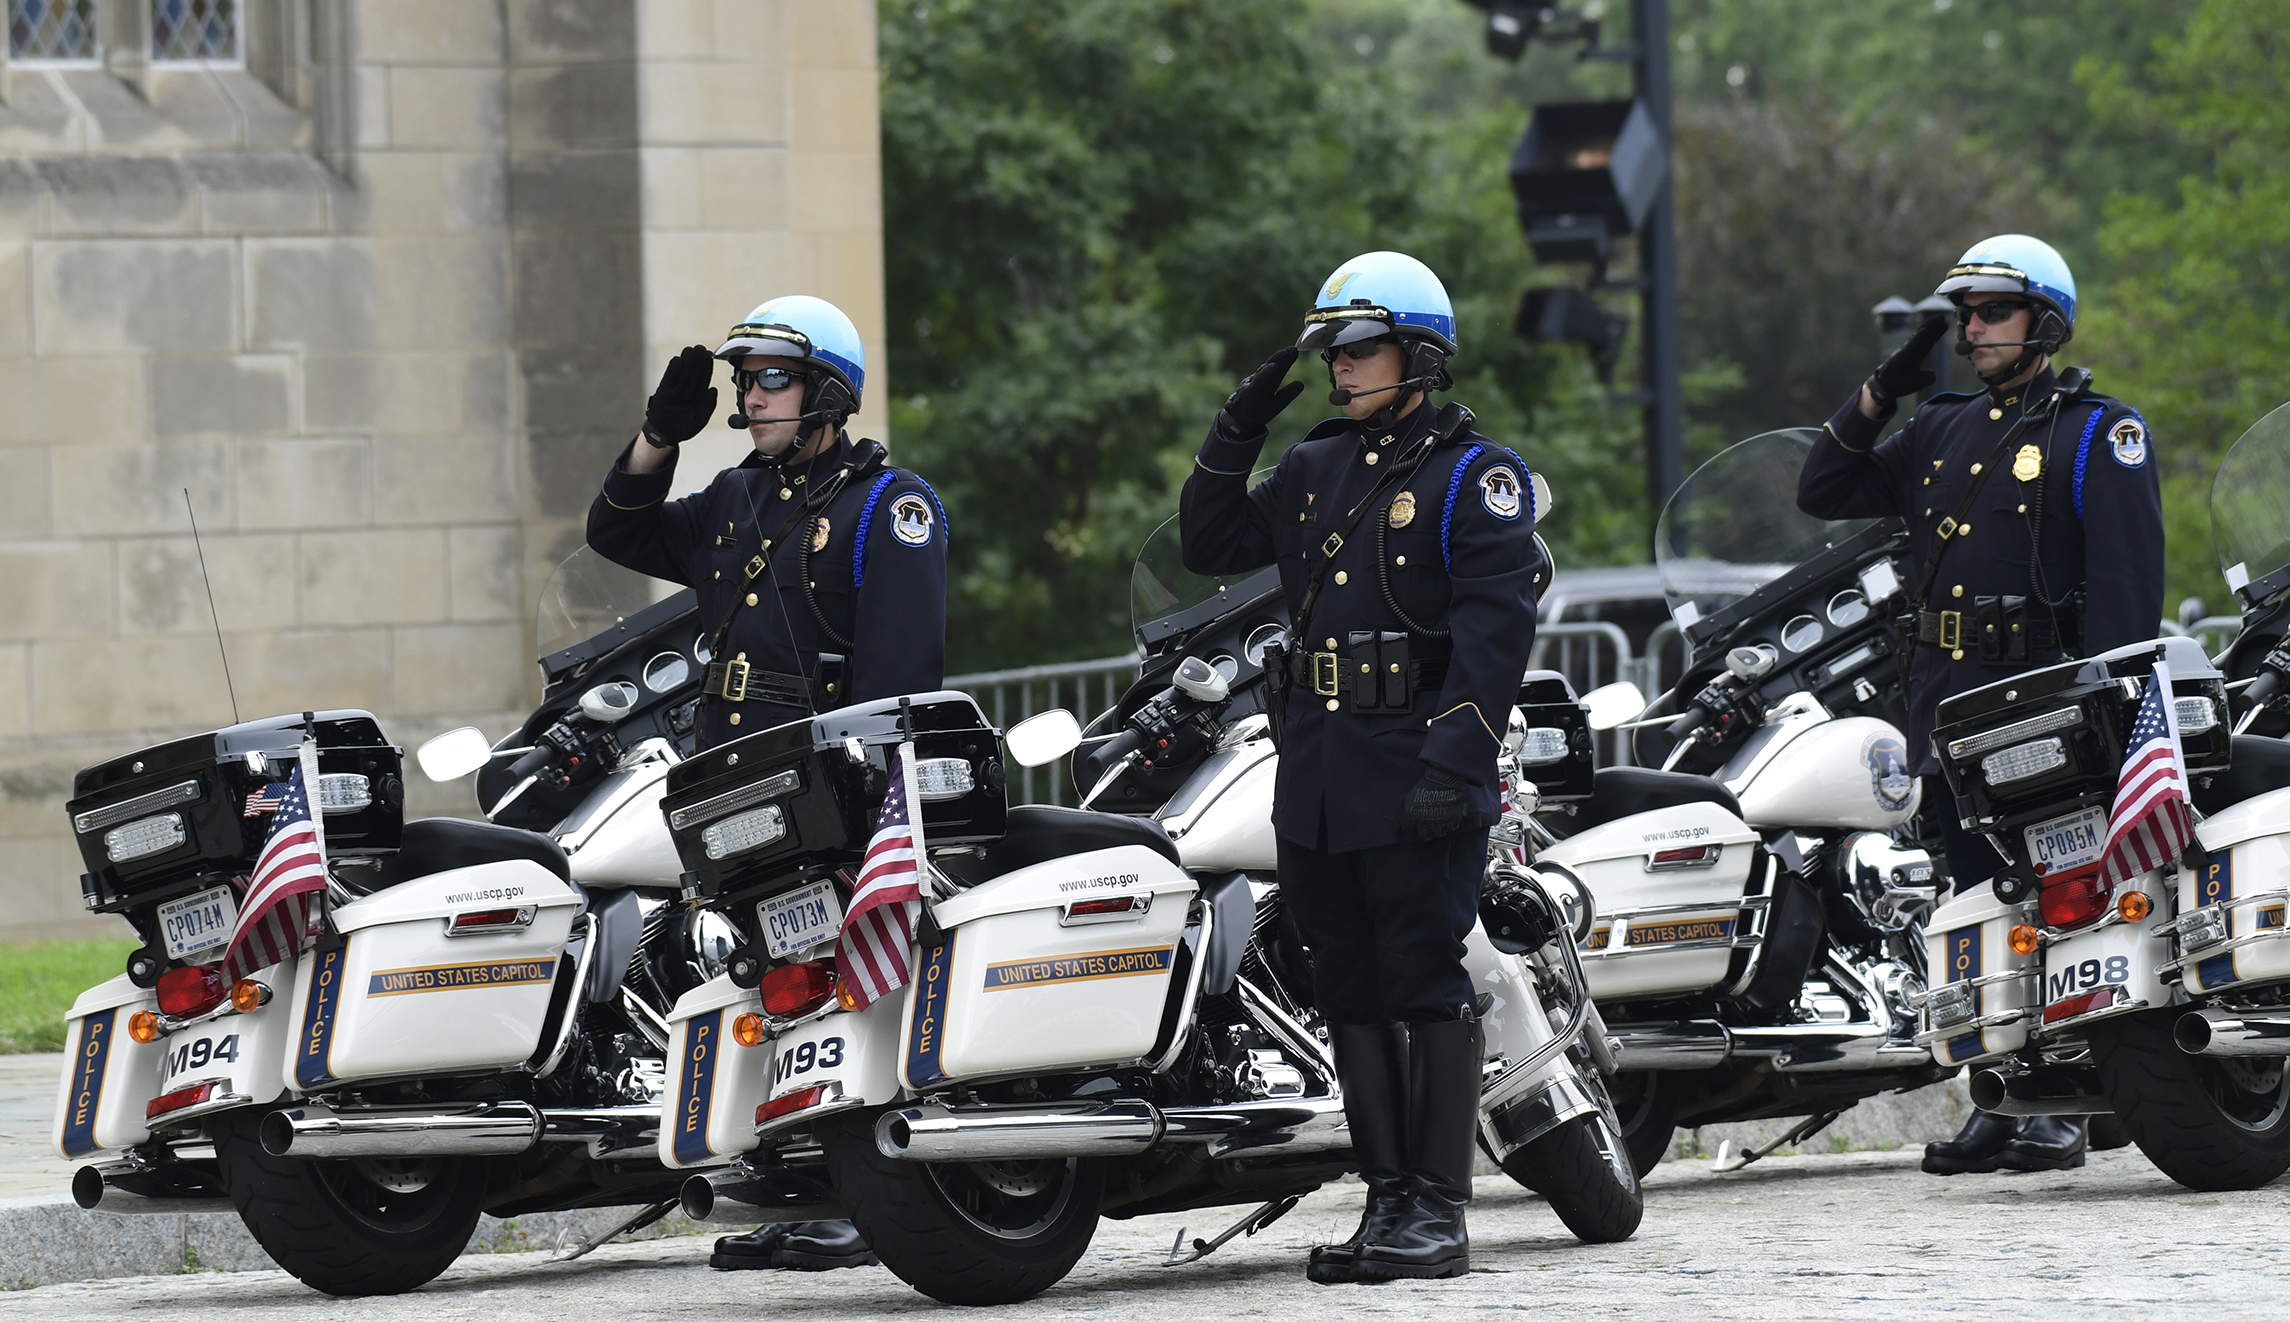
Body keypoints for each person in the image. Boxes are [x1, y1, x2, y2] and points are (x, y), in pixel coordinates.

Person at [1180, 251, 1543, 1283]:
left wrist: (1456, 760)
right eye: (1331, 353)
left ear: (1417, 354)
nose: (1341, 369)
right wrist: (1235, 423)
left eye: (1361, 348)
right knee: (1347, 986)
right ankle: (1388, 1201)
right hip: (1322, 769)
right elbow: (1211, 540)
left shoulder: (1477, 475)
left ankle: (1438, 1210)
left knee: (1422, 981)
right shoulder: (1314, 466)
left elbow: (1492, 637)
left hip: (1419, 759)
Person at [587, 294, 947, 1270]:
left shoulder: (886, 504)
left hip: (828, 786)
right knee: (778, 985)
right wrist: (659, 436)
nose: (751, 396)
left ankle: (865, 1194)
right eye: (745, 380)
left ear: (827, 389)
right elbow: (616, 531)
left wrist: (866, 803)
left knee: (848, 986)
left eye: (771, 377)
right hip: (734, 785)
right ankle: (807, 1187)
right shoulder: (735, 500)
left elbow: (900, 674)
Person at [1797, 234, 2163, 1177]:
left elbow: (2127, 592)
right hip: (1948, 707)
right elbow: (1823, 486)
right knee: (1973, 905)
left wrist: (2112, 712)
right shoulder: (1943, 426)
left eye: (1992, 311)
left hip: (2044, 702)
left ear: (2043, 321)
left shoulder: (2094, 431)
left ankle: (2065, 1107)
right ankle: (2000, 1096)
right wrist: (1888, 381)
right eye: (1964, 315)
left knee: (2065, 904)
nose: (1973, 328)